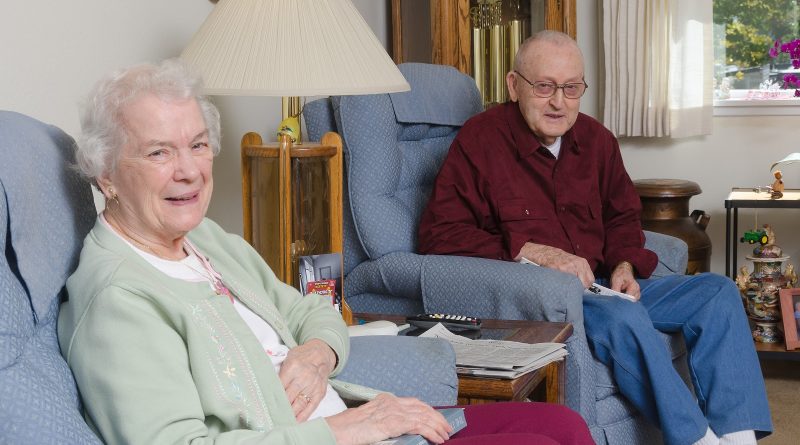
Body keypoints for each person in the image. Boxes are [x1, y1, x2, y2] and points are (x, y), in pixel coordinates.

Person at [57, 59, 594, 445]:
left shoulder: (205, 241)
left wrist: (316, 356)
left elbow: (312, 310)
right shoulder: (118, 300)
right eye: (158, 152)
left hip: (358, 421)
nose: (190, 170)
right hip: (339, 436)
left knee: (563, 425)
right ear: (105, 173)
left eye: (197, 144)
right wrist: (343, 430)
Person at [418, 31, 772, 445]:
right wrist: (533, 251)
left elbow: (622, 215)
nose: (558, 102)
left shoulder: (596, 139)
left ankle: (738, 438)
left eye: (571, 88)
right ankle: (697, 440)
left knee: (718, 291)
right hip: (546, 300)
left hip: (606, 286)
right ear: (514, 86)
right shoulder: (479, 142)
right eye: (544, 86)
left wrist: (624, 265)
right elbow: (438, 234)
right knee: (625, 318)